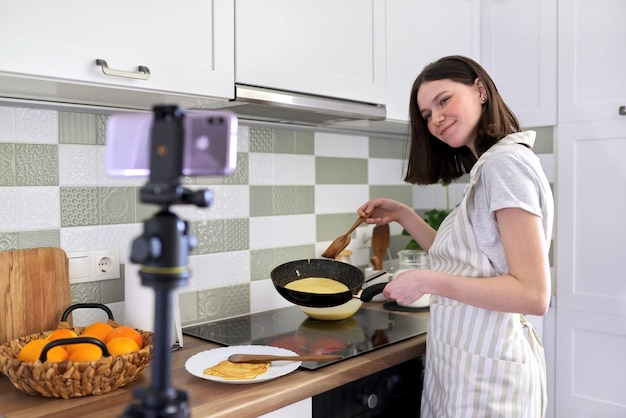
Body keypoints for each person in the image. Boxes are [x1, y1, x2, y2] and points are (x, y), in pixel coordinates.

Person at [358, 55, 553, 417]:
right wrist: (404, 215)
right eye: (426, 114)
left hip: (489, 381)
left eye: (443, 100)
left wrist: (428, 280)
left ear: (480, 89)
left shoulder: (504, 166)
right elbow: (467, 260)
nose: (435, 119)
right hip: (468, 370)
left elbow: (533, 294)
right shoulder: (491, 166)